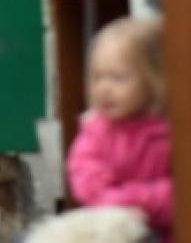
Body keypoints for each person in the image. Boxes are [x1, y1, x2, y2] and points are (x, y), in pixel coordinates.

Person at [35, 17, 172, 243]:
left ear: (153, 78)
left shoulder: (169, 132)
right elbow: (89, 185)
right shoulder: (95, 133)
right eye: (98, 77)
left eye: (118, 77)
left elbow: (180, 193)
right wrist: (124, 211)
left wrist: (131, 202)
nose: (104, 88)